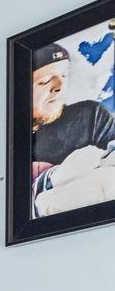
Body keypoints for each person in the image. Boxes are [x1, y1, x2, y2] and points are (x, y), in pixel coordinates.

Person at [27, 39, 115, 218]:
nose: (60, 87)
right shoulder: (6, 144)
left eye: (64, 75)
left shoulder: (91, 116)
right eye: (45, 81)